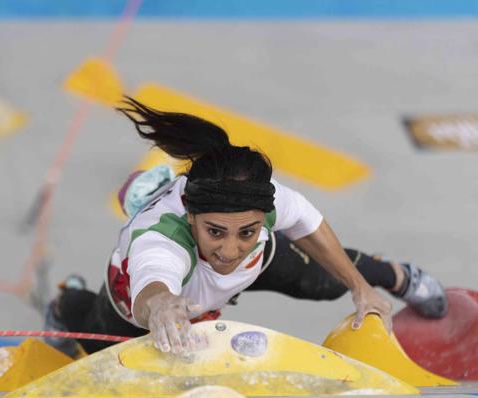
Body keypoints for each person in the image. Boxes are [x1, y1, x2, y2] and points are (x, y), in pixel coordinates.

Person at [45, 97, 447, 357]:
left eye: (247, 232)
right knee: (97, 341)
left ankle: (400, 277)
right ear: (190, 216)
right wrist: (159, 305)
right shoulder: (160, 240)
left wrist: (361, 289)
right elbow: (153, 279)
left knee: (323, 280)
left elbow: (309, 225)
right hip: (137, 303)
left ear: (262, 219)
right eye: (215, 231)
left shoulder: (259, 199)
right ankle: (67, 302)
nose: (231, 250)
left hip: (231, 275)